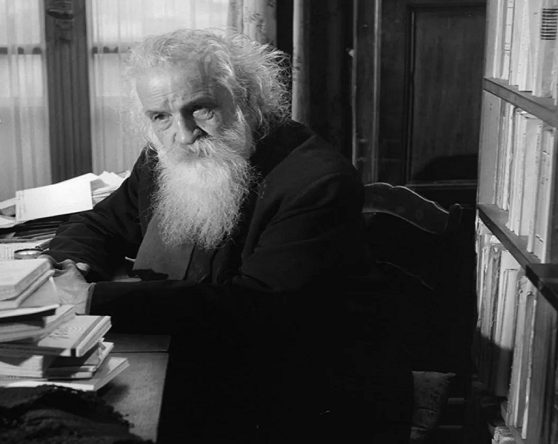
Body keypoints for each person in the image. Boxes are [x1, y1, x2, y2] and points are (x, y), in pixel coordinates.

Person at [41, 28, 413, 444]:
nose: (183, 134)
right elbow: (101, 224)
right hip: (202, 359)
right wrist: (69, 267)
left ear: (248, 99)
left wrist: (91, 299)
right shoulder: (164, 156)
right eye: (160, 116)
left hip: (301, 395)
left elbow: (256, 308)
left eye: (201, 109)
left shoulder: (317, 181)